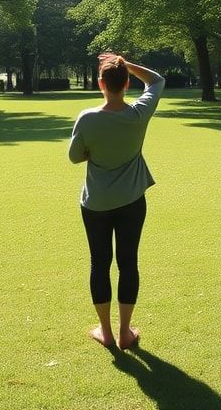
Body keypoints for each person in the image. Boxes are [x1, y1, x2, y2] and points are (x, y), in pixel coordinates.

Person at [68, 52, 164, 350]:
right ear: (126, 84)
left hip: (95, 203)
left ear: (101, 84)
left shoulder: (87, 118)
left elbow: (74, 156)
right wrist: (126, 63)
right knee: (128, 262)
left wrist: (91, 152)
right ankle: (125, 332)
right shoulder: (138, 114)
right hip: (131, 200)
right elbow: (156, 81)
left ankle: (106, 333)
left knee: (99, 263)